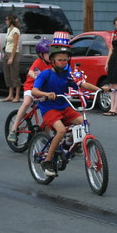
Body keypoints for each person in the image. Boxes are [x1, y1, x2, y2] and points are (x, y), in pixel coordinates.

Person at [30, 33, 102, 176]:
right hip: (49, 108)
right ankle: (48, 161)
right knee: (61, 130)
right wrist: (46, 94)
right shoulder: (45, 74)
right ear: (52, 61)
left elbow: (82, 83)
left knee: (84, 123)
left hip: (64, 106)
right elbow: (34, 90)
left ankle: (68, 144)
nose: (64, 62)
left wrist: (100, 90)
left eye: (65, 59)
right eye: (60, 60)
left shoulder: (68, 73)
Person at [9, 39, 52, 142]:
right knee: (27, 102)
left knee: (50, 109)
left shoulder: (53, 63)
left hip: (44, 90)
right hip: (31, 87)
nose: (50, 56)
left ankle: (46, 134)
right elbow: (30, 72)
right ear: (41, 55)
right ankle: (14, 128)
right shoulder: (38, 62)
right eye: (48, 54)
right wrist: (38, 78)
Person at [3, 13, 22, 102]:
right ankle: (10, 94)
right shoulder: (8, 30)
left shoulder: (15, 30)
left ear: (10, 20)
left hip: (13, 53)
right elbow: (7, 43)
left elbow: (15, 45)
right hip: (7, 52)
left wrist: (11, 57)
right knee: (8, 75)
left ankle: (17, 95)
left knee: (15, 75)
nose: (6, 21)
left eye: (7, 19)